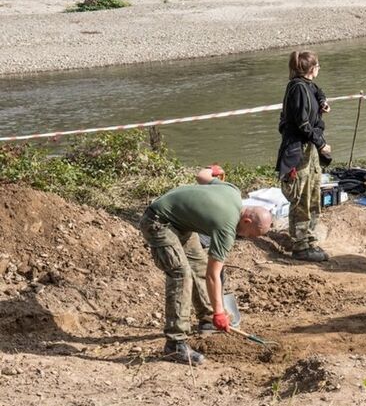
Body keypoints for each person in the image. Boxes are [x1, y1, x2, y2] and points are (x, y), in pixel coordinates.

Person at [139, 169, 272, 365]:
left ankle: (207, 318)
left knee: (199, 266)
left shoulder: (233, 192)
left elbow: (202, 176)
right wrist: (221, 311)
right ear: (246, 220)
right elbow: (214, 275)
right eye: (252, 234)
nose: (249, 238)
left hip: (181, 225)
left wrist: (214, 170)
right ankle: (175, 345)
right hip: (158, 223)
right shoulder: (226, 227)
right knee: (181, 274)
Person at [276, 50, 332, 262]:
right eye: (318, 65)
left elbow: (317, 91)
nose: (319, 69)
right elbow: (302, 124)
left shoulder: (307, 85)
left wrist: (323, 102)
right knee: (302, 197)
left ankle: (309, 239)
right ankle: (300, 246)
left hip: (309, 150)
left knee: (314, 194)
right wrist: (322, 143)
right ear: (311, 68)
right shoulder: (298, 88)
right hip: (298, 151)